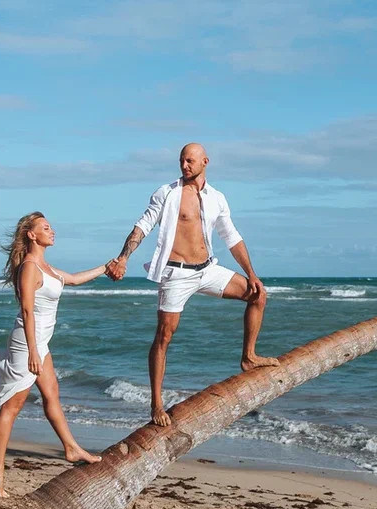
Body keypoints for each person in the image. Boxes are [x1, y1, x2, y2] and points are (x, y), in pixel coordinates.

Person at [106, 143, 280, 427]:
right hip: (176, 274)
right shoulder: (167, 193)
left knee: (257, 295)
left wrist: (251, 274)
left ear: (205, 162)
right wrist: (123, 258)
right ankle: (156, 405)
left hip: (207, 269)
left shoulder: (217, 198)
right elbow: (143, 226)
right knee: (164, 337)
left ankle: (249, 357)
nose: (184, 166)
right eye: (181, 161)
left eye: (190, 161)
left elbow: (232, 237)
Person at [0, 212, 106, 497]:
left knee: (52, 394)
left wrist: (105, 267)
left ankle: (71, 448)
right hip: (26, 344)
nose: (52, 231)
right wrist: (33, 352)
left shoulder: (46, 267)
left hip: (40, 342)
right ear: (32, 235)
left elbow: (74, 279)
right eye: (46, 228)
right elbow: (26, 311)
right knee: (12, 407)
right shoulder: (29, 268)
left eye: (51, 227)